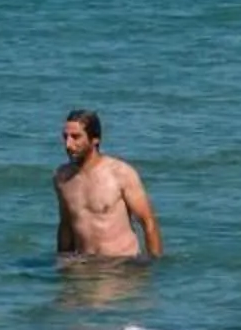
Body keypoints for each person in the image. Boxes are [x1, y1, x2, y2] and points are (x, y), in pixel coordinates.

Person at [53, 108, 161, 261]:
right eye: (65, 137)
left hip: (121, 265)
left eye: (76, 137)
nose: (68, 144)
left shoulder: (120, 173)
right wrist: (62, 261)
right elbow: (66, 225)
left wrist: (153, 266)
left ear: (95, 139)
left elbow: (148, 222)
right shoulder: (62, 177)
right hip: (85, 264)